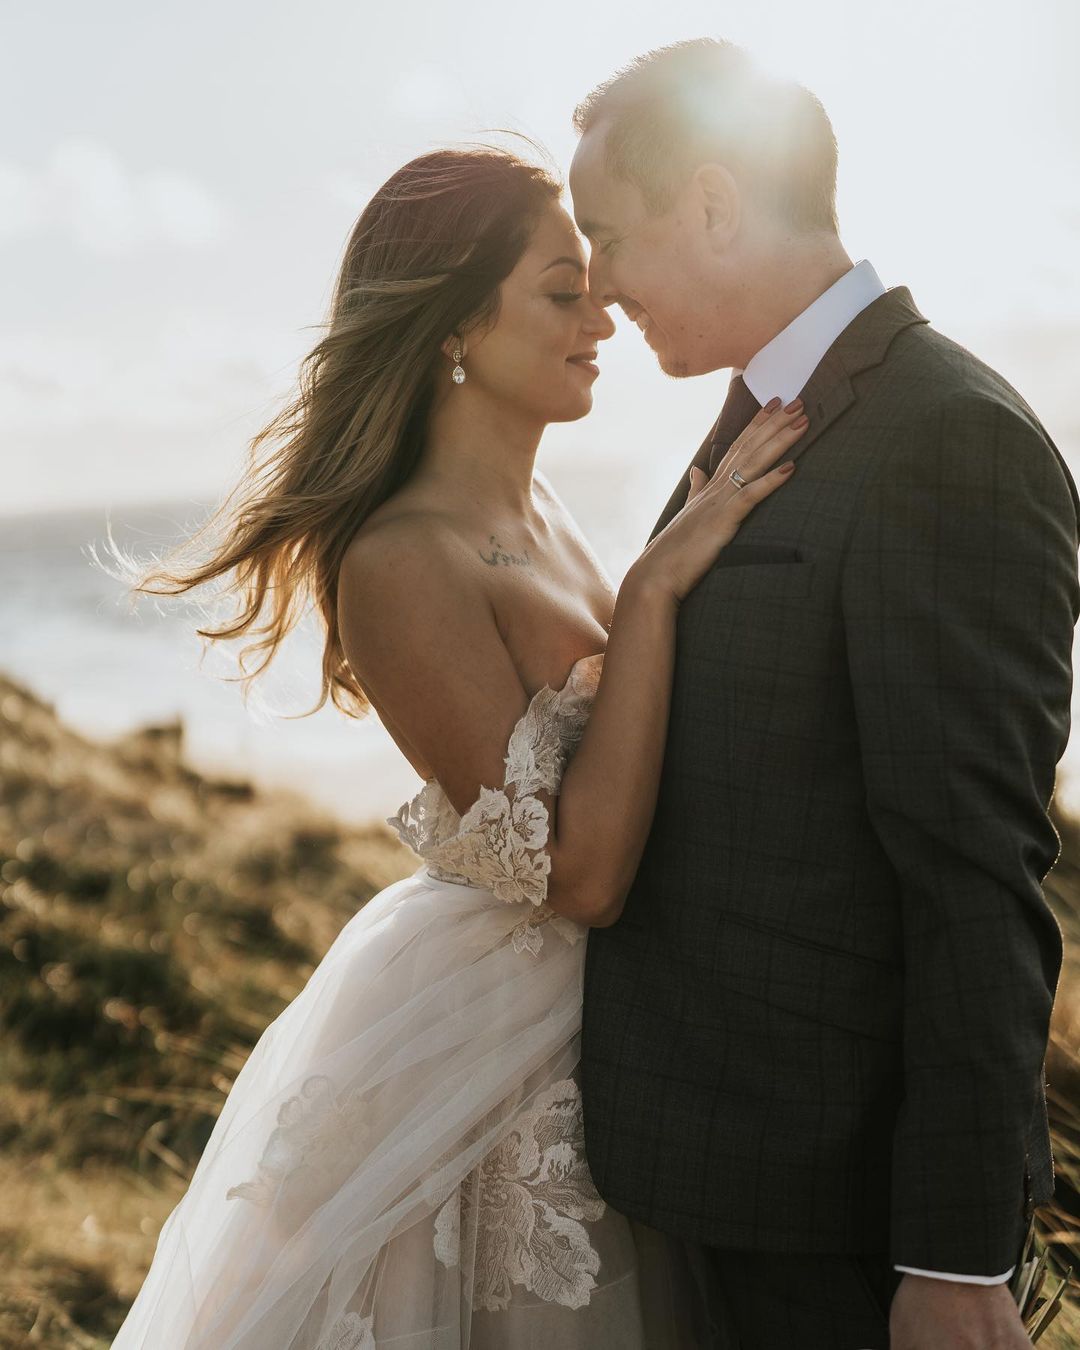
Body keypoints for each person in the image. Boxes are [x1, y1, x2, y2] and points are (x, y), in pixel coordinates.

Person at [106, 145, 806, 1348]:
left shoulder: (551, 515)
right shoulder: (399, 561)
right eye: (559, 291)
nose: (604, 315)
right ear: (454, 330)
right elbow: (579, 877)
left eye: (597, 282)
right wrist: (652, 599)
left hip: (639, 1026)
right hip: (500, 1064)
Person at [568, 37, 1080, 1349]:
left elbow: (975, 874)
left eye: (609, 235)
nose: (599, 280)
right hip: (721, 1184)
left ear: (717, 205)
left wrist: (954, 1259)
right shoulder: (766, 407)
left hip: (838, 1228)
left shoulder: (942, 436)